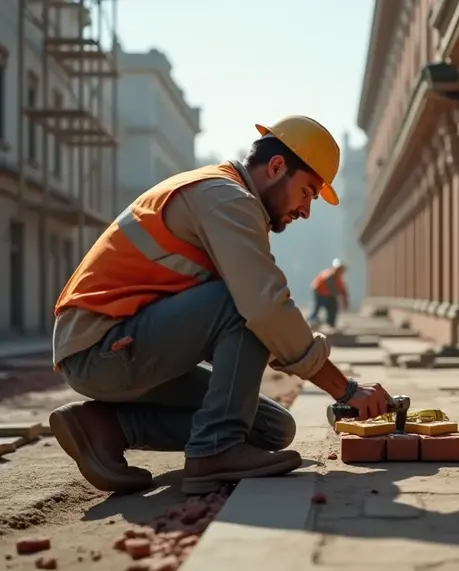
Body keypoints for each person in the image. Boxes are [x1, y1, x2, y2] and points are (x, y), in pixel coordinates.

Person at [48, 115, 393, 496]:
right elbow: (262, 309)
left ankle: (106, 428)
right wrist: (344, 390)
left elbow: (263, 325)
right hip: (99, 348)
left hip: (130, 347)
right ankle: (214, 451)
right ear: (277, 167)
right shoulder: (224, 198)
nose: (306, 210)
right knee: (245, 303)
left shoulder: (230, 202)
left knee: (272, 429)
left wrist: (310, 365)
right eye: (308, 192)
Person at [308, 259, 349, 329]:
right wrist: (339, 295)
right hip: (320, 293)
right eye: (339, 269)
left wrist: (345, 298)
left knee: (333, 309)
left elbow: (342, 289)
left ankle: (331, 322)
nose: (341, 271)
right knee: (316, 308)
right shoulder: (328, 275)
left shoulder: (338, 278)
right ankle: (312, 322)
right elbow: (330, 286)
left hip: (330, 296)